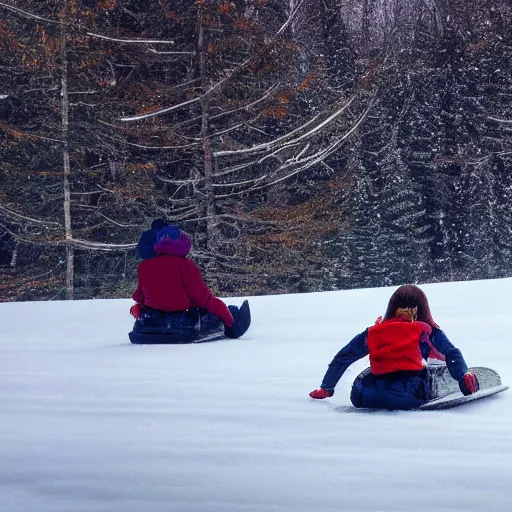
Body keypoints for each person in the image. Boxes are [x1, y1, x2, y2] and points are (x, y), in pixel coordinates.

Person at [309, 284, 480, 410]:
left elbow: (344, 357)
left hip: (366, 396)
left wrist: (326, 388)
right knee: (427, 371)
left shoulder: (373, 332)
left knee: (368, 374)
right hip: (409, 397)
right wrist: (462, 374)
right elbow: (450, 352)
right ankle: (447, 379)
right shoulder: (424, 330)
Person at [129, 225, 249, 343]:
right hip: (183, 324)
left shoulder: (144, 267)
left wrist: (139, 307)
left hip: (153, 323)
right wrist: (227, 318)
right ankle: (234, 320)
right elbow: (204, 299)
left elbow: (140, 297)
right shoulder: (185, 266)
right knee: (218, 314)